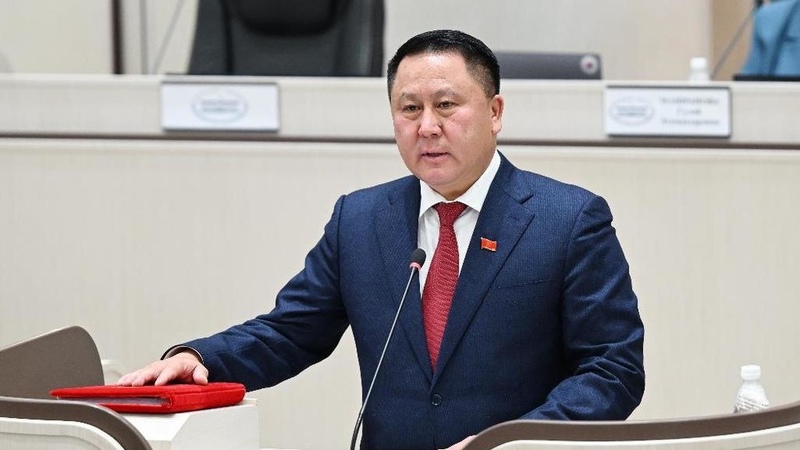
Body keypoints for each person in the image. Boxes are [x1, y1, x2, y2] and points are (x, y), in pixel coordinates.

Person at [118, 29, 645, 450]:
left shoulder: (567, 220)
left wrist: (511, 443)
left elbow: (613, 369)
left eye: (447, 105)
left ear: (495, 112)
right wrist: (202, 358)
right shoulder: (361, 219)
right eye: (410, 109)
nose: (427, 126)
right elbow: (291, 331)